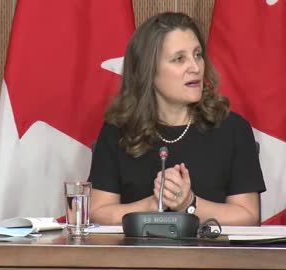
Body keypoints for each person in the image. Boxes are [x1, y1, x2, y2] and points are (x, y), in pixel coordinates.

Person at [88, 12, 265, 226]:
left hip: (211, 257)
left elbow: (248, 216)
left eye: (198, 55)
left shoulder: (232, 128)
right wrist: (154, 204)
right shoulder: (119, 130)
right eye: (179, 59)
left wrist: (189, 204)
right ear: (148, 71)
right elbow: (98, 212)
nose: (196, 67)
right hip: (138, 258)